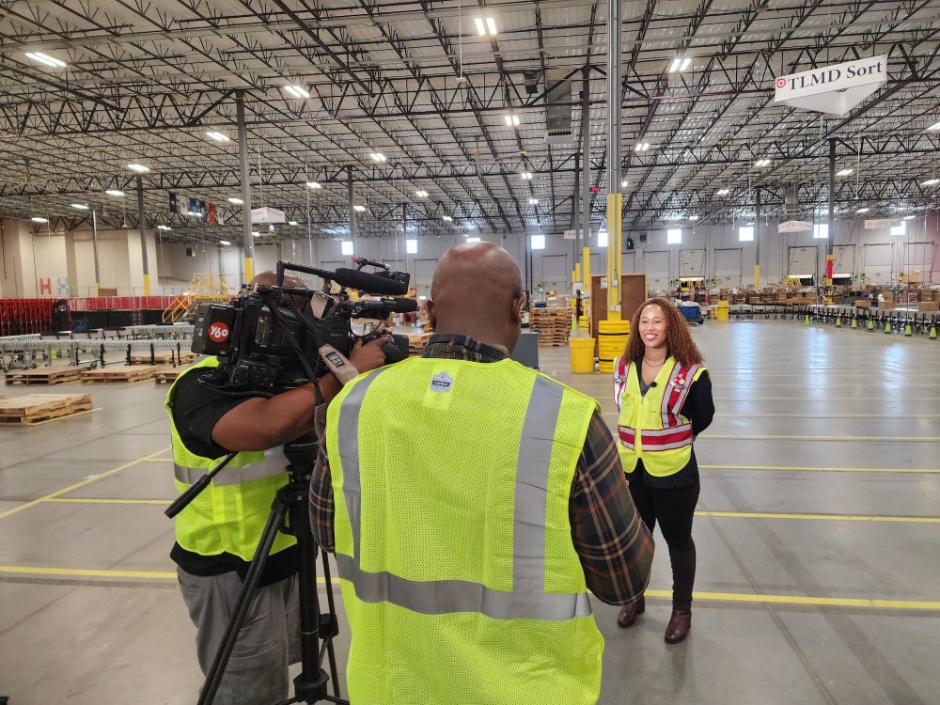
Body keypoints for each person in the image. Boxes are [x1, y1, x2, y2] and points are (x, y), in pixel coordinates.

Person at [309, 243, 654, 704]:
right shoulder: (563, 419)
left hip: (390, 686)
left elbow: (327, 533)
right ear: (520, 308)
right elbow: (623, 580)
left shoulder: (352, 405)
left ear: (429, 313)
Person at [165, 271, 389, 705]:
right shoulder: (202, 381)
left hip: (284, 550)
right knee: (246, 689)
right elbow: (267, 426)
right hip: (230, 565)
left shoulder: (285, 381)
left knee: (278, 667)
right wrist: (344, 373)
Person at [612, 296, 714, 644]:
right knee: (637, 542)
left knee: (678, 542)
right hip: (633, 472)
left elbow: (704, 416)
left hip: (675, 473)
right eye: (644, 321)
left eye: (657, 321)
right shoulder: (624, 366)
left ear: (671, 325)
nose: (650, 328)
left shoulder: (690, 372)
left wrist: (675, 439)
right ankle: (634, 598)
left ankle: (681, 610)